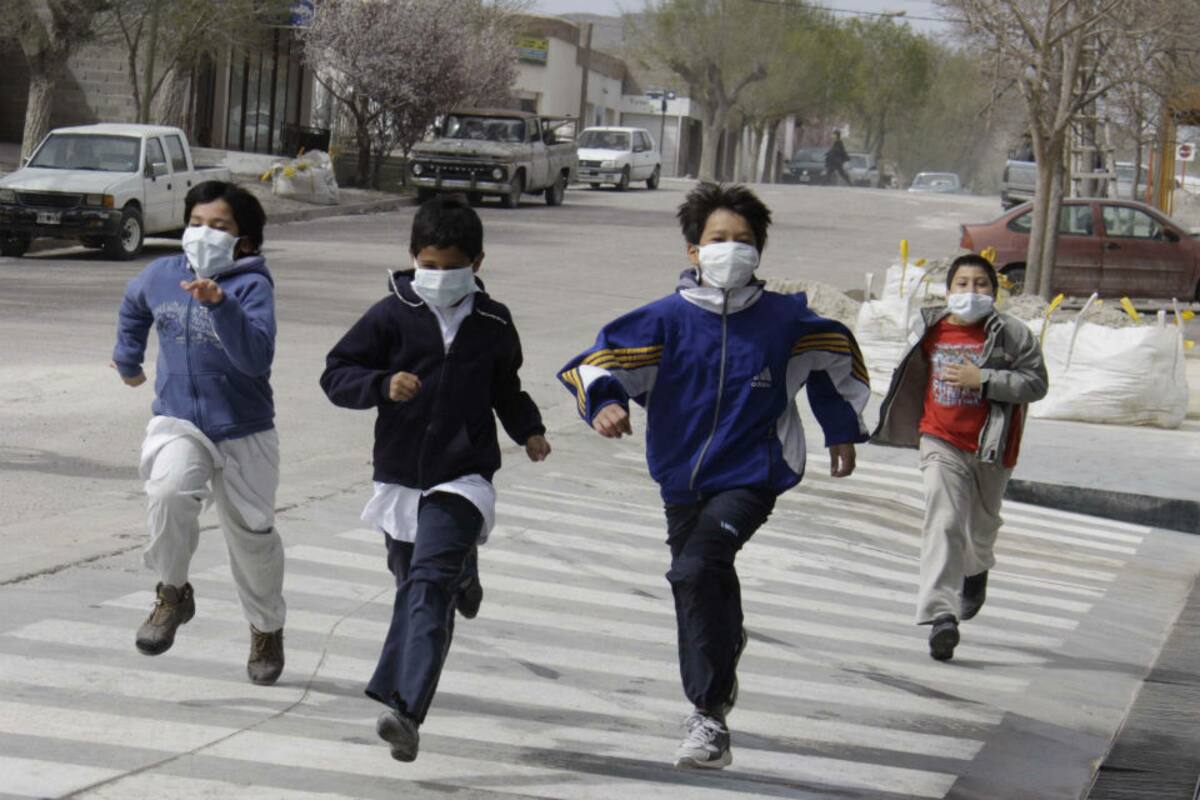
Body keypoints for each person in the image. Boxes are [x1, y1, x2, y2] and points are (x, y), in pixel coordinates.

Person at [558, 182, 870, 770]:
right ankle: (724, 646)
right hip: (680, 481)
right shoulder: (664, 320)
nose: (731, 249)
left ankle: (706, 716)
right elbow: (594, 364)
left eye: (743, 240)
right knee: (699, 585)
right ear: (693, 250)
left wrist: (841, 430)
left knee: (695, 569)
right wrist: (604, 404)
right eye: (718, 238)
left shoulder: (784, 320)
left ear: (759, 251)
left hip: (755, 473)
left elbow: (835, 358)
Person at [320, 193, 551, 762]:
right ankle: (464, 568)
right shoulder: (390, 314)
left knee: (427, 586)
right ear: (412, 258)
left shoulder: (494, 322)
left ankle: (405, 710)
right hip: (400, 478)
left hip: (463, 476)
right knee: (413, 584)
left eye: (453, 266)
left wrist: (529, 430)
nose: (440, 276)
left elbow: (506, 387)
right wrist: (381, 385)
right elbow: (337, 373)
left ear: (477, 263)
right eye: (429, 264)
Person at [111, 180, 286, 685]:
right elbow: (134, 304)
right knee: (167, 493)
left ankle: (266, 627)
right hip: (178, 419)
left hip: (244, 427)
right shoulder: (162, 273)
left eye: (218, 226)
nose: (203, 233)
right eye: (195, 223)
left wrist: (220, 304)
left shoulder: (251, 287)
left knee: (252, 536)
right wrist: (128, 357)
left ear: (243, 240)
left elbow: (255, 359)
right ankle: (172, 593)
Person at [873, 254, 1047, 661]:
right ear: (948, 290)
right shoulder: (929, 328)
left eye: (981, 284)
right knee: (945, 521)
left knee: (980, 530)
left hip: (992, 447)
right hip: (940, 439)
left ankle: (977, 568)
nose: (971, 291)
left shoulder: (1012, 334)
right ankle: (941, 616)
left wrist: (983, 379)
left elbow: (1037, 383)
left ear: (994, 292)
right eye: (962, 284)